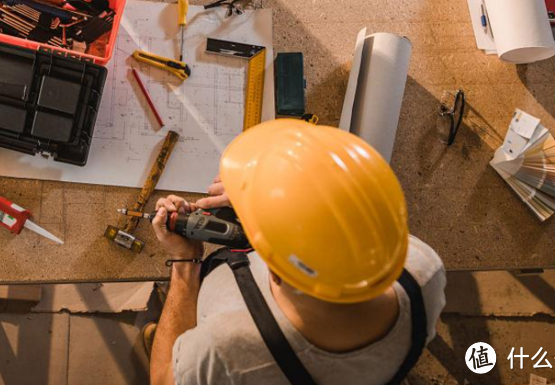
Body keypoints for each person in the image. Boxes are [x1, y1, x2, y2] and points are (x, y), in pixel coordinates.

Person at [147, 120, 447, 385]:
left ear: (273, 273)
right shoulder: (421, 270)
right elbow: (341, 224)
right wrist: (272, 201)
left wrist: (185, 265)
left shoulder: (228, 351)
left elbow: (162, 380)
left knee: (168, 348)